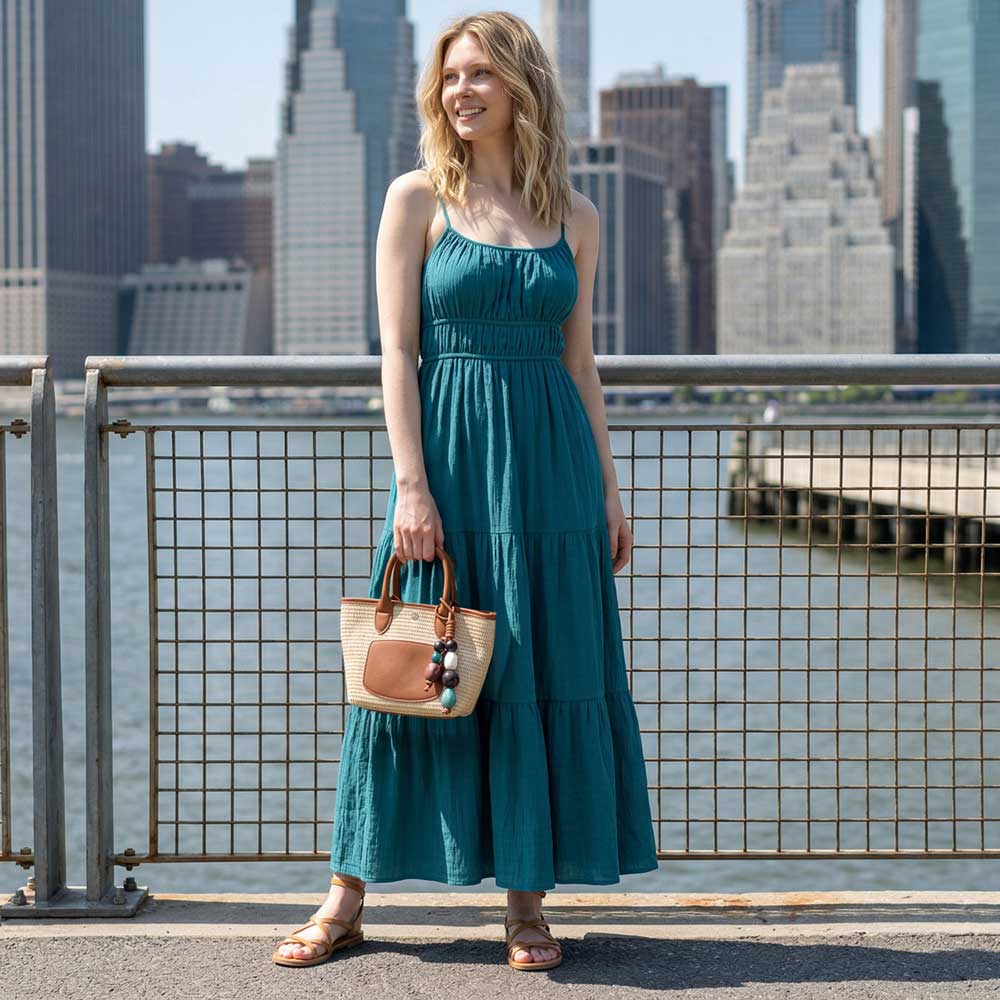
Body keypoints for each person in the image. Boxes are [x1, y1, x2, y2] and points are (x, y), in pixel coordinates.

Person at [273, 10, 658, 971]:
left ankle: (525, 907)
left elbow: (582, 363)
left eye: (481, 74)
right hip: (447, 459)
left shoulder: (576, 213)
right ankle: (344, 898)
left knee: (535, 669)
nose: (461, 91)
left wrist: (609, 490)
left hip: (553, 473)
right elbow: (397, 353)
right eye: (449, 77)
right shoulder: (416, 200)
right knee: (407, 671)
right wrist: (412, 487)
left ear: (522, 85)